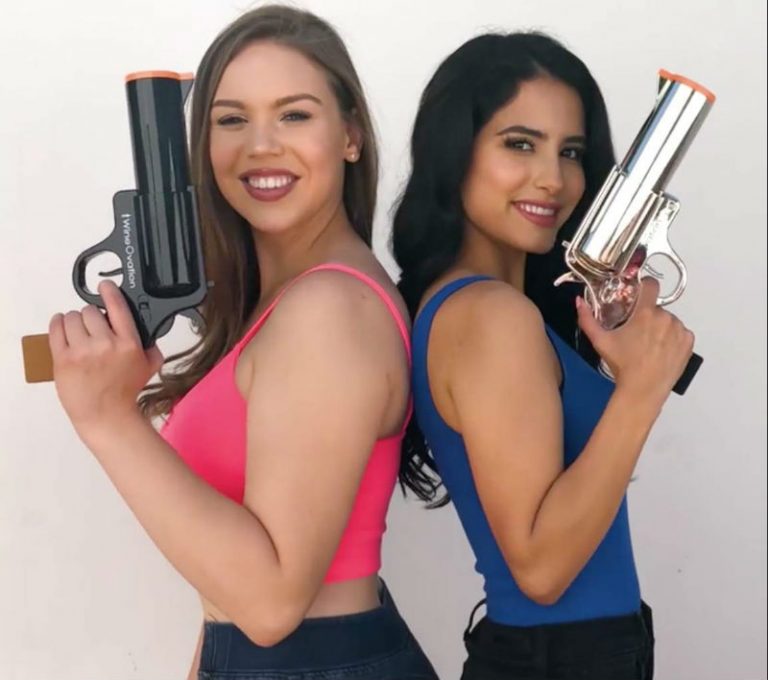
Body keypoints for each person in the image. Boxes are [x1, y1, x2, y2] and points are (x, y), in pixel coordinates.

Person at [48, 6, 437, 679]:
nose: (261, 145)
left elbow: (270, 604)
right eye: (231, 120)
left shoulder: (328, 310)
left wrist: (107, 419)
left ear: (349, 135)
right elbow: (228, 594)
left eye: (294, 115)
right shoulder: (286, 303)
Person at [393, 31, 695, 679]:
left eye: (571, 152)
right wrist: (642, 388)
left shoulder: (489, 306)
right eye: (520, 144)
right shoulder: (491, 314)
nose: (553, 179)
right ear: (455, 153)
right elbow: (541, 570)